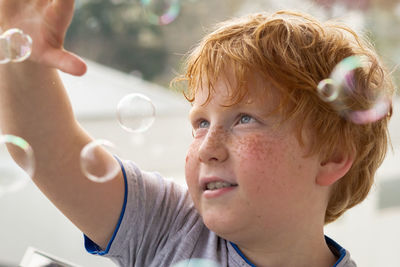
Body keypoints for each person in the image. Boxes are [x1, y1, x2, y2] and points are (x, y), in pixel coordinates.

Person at [0, 1, 395, 266]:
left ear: (330, 157)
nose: (207, 148)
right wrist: (24, 61)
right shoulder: (169, 224)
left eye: (244, 119)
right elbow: (50, 148)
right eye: (200, 123)